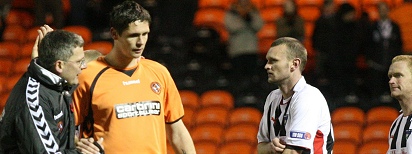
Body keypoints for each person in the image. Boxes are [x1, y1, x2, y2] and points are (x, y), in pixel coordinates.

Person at [72, 1, 196, 153]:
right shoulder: (87, 76)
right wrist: (79, 145)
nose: (141, 42)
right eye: (133, 35)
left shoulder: (159, 72)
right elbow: (63, 129)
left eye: (145, 34)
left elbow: (177, 132)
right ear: (114, 33)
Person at [0, 25, 103, 153]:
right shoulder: (35, 99)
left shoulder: (59, 84)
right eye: (79, 62)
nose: (83, 67)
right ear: (59, 65)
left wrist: (80, 145)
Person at [257, 37, 334, 153]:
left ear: (294, 64)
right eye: (267, 61)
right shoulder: (272, 98)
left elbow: (293, 152)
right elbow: (261, 147)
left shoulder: (308, 97)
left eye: (273, 61)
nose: (267, 66)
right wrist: (270, 147)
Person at [224, 0, 264, 98]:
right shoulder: (231, 12)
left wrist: (249, 18)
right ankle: (239, 97)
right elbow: (232, 26)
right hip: (237, 51)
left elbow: (259, 25)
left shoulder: (253, 11)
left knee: (252, 78)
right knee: (238, 78)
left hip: (251, 50)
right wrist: (245, 21)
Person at [366, 2, 402, 103]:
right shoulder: (372, 27)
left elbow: (399, 44)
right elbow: (367, 44)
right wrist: (369, 59)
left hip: (391, 62)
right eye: (381, 10)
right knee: (376, 89)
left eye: (385, 9)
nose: (383, 12)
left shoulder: (395, 27)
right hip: (376, 62)